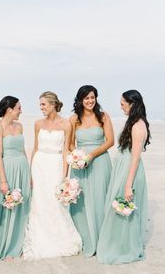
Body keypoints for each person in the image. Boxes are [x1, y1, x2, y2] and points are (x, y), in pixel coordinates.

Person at [23, 91, 82, 260]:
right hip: (39, 164)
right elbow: (35, 147)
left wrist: (65, 176)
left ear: (53, 105)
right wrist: (30, 172)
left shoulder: (66, 125)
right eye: (40, 104)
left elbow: (65, 151)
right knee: (39, 201)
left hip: (56, 165)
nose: (40, 107)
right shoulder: (37, 124)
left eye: (43, 104)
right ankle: (40, 236)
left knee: (56, 202)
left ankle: (60, 238)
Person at [97, 89, 151, 264]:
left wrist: (128, 184)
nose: (121, 107)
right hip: (122, 168)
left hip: (129, 171)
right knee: (117, 208)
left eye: (123, 104)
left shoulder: (138, 126)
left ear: (132, 104)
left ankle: (125, 247)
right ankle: (118, 243)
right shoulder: (133, 121)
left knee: (123, 208)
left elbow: (135, 157)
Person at [69, 85, 114, 257]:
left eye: (92, 97)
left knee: (100, 198)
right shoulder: (74, 119)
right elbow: (70, 143)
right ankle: (85, 237)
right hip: (80, 164)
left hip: (100, 161)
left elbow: (110, 141)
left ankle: (102, 238)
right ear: (80, 100)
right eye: (86, 98)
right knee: (82, 200)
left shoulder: (103, 116)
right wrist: (79, 156)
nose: (90, 101)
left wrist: (91, 156)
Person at [0, 96, 31, 260]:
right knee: (8, 206)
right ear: (10, 110)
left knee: (23, 205)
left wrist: (28, 172)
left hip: (22, 167)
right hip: (7, 169)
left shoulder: (19, 126)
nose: (21, 111)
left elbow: (23, 150)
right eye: (19, 108)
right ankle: (6, 245)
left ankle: (19, 243)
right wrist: (3, 180)